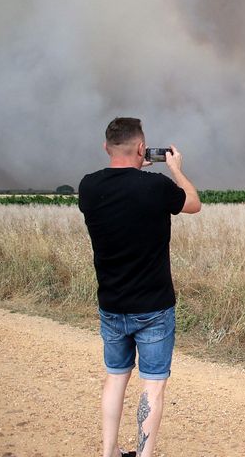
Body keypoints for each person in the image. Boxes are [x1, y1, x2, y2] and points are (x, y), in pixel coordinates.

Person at [79, 117, 201, 457]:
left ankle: (109, 453)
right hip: (154, 308)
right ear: (141, 148)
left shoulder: (88, 187)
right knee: (153, 384)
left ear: (106, 148)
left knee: (116, 377)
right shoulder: (155, 187)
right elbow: (193, 203)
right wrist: (175, 169)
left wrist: (133, 166)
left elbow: (119, 187)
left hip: (112, 305)